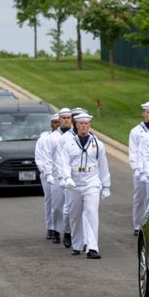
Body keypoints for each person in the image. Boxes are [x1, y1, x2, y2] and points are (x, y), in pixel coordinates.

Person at [56, 111, 111, 259]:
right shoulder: (68, 143)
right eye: (81, 124)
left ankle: (92, 247)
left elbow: (103, 165)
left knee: (91, 213)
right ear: (76, 125)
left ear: (89, 125)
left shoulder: (98, 144)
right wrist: (66, 177)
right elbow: (64, 162)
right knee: (75, 215)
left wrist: (106, 185)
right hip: (74, 181)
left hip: (91, 181)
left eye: (86, 124)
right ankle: (77, 244)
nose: (84, 126)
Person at [128, 101, 149, 229]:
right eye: (148, 112)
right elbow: (133, 151)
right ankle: (138, 225)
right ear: (144, 113)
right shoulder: (136, 131)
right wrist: (136, 169)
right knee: (140, 198)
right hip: (140, 171)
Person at [35, 113, 62, 243]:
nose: (57, 125)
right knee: (50, 201)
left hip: (59, 174)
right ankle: (50, 227)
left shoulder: (63, 138)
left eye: (59, 122)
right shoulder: (44, 139)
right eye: (55, 123)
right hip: (47, 174)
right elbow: (39, 158)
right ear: (51, 124)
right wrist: (46, 173)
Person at [50, 107, 75, 249]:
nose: (66, 120)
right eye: (63, 118)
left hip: (71, 176)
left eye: (68, 118)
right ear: (59, 120)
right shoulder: (53, 137)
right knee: (57, 206)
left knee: (70, 207)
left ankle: (69, 232)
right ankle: (55, 229)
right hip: (56, 175)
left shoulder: (74, 136)